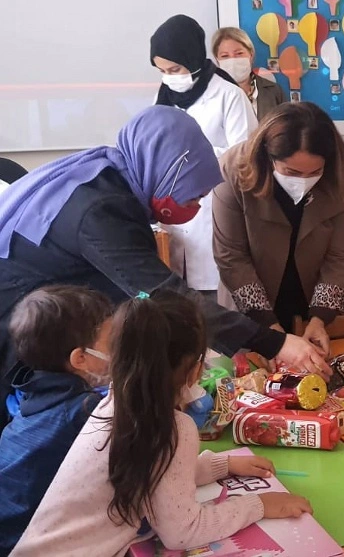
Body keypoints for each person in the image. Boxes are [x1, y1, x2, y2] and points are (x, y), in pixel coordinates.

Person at [0, 106, 327, 427]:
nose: (196, 206)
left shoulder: (110, 178)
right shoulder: (101, 210)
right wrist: (274, 343)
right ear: (165, 172)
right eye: (191, 196)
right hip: (19, 328)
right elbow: (164, 295)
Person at [12, 290, 312, 555]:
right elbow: (183, 532)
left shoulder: (117, 405)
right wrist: (259, 505)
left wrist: (221, 465)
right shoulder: (170, 427)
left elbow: (156, 471)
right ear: (196, 370)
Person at [213, 102, 344, 354]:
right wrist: (268, 332)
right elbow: (231, 257)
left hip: (319, 299)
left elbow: (342, 255)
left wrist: (320, 318)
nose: (303, 181)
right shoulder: (234, 170)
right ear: (268, 155)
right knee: (257, 374)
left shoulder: (339, 175)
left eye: (315, 172)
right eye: (291, 171)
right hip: (252, 301)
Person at [151, 15, 259, 298]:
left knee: (215, 300)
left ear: (193, 57)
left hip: (214, 210)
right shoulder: (162, 98)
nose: (169, 77)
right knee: (177, 297)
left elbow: (246, 157)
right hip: (172, 215)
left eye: (175, 69)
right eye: (162, 71)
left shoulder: (229, 96)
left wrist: (194, 155)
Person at [0, 286, 113, 553]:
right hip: (26, 543)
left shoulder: (30, 394)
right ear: (80, 358)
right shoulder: (85, 411)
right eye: (112, 342)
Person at [212, 27, 287, 121]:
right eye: (225, 56)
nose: (233, 60)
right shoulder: (210, 95)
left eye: (239, 53)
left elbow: (288, 125)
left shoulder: (274, 91)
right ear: (217, 60)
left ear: (251, 55)